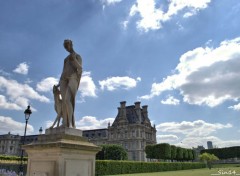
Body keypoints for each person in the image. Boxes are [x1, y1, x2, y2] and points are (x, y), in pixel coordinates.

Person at [58, 39, 82, 128]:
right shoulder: (65, 59)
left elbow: (80, 69)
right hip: (63, 80)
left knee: (68, 100)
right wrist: (59, 83)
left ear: (71, 45)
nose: (66, 48)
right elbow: (63, 71)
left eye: (67, 46)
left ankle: (71, 124)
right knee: (64, 102)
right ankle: (65, 123)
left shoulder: (77, 56)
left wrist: (74, 61)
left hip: (72, 78)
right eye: (65, 47)